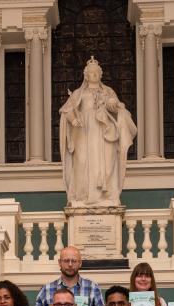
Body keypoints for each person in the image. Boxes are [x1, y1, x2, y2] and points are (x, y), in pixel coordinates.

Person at [59, 57, 137, 208]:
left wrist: (113, 105)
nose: (93, 74)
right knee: (82, 161)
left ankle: (107, 195)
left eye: (96, 72)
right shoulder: (78, 93)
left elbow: (115, 107)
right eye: (90, 72)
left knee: (106, 163)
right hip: (84, 132)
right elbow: (66, 110)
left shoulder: (108, 91)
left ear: (100, 74)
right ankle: (82, 196)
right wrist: (74, 120)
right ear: (86, 75)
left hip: (104, 132)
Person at [31, 246, 107, 306]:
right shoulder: (46, 290)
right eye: (66, 261)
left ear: (80, 263)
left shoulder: (93, 287)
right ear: (59, 263)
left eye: (74, 261)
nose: (70, 264)